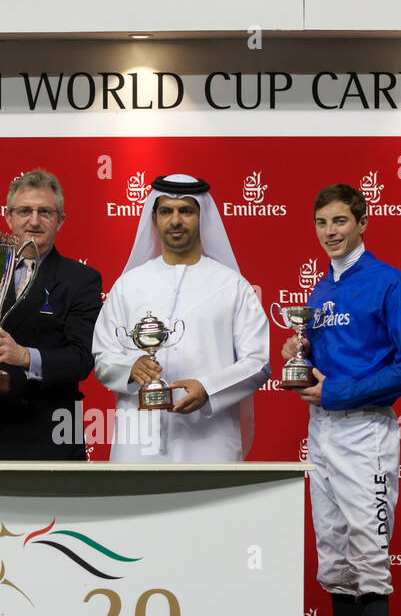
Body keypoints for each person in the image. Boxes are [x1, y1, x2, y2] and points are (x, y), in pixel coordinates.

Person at [288, 183, 401, 616]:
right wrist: (298, 356)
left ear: (363, 221)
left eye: (341, 221)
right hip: (321, 434)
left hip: (365, 435)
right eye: (322, 222)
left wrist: (341, 390)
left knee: (368, 565)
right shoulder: (321, 288)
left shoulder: (390, 282)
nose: (331, 231)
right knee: (336, 567)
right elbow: (323, 365)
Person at [91, 173, 269, 461]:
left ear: (202, 217)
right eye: (166, 211)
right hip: (137, 444)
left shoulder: (233, 286)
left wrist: (209, 388)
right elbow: (102, 357)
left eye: (186, 211)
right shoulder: (128, 285)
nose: (175, 220)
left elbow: (258, 363)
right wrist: (130, 367)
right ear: (154, 219)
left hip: (209, 442)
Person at [0, 168, 101, 459]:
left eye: (45, 212)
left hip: (52, 438)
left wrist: (25, 356)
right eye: (24, 211)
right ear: (8, 218)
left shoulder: (81, 279)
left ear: (60, 220)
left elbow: (81, 359)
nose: (34, 221)